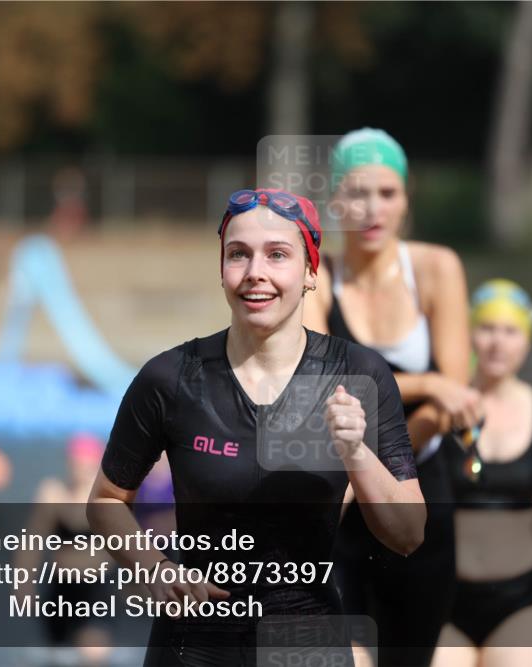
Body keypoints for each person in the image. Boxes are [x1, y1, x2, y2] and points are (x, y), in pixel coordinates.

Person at [88, 188, 426, 667]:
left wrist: (356, 453)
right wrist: (154, 570)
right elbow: (105, 501)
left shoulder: (357, 376)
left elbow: (409, 533)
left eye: (278, 255)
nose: (255, 274)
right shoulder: (172, 378)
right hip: (192, 644)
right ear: (221, 270)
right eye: (238, 255)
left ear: (311, 272)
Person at [302, 128, 478, 667]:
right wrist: (425, 383)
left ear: (406, 198)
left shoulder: (434, 269)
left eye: (387, 193)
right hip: (338, 503)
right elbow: (320, 390)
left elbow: (457, 402)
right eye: (356, 193)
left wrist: (383, 445)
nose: (371, 209)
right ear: (334, 201)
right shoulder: (318, 276)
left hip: (419, 492)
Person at [430, 279, 532, 667]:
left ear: (526, 341)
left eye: (510, 332)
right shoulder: (441, 406)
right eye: (487, 328)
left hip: (521, 599)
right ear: (469, 334)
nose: (497, 343)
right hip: (444, 598)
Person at [16, 433, 115, 664]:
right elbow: (32, 541)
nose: (80, 470)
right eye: (76, 465)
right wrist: (23, 584)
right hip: (61, 585)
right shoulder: (53, 492)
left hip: (96, 587)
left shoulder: (107, 497)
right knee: (58, 654)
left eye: (86, 466)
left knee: (93, 652)